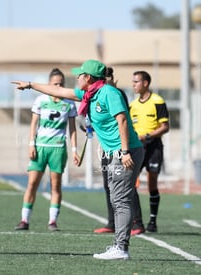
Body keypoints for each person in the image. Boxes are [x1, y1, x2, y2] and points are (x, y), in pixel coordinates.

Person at [12, 60, 144, 260]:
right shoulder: (90, 94)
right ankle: (118, 245)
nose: (78, 77)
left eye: (80, 74)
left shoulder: (109, 93)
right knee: (116, 199)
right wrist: (31, 85)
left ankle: (121, 248)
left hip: (125, 152)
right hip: (112, 153)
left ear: (89, 78)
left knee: (121, 200)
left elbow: (123, 121)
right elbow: (59, 91)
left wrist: (124, 152)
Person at [14, 68, 80, 232]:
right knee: (32, 184)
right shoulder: (41, 100)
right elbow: (33, 124)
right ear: (49, 84)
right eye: (55, 84)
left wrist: (73, 150)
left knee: (55, 186)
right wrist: (31, 144)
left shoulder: (69, 103)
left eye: (61, 84)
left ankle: (52, 221)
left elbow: (72, 129)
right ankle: (24, 220)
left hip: (58, 148)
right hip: (40, 147)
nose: (58, 86)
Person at [94, 67, 146, 236]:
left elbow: (121, 120)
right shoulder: (98, 95)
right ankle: (112, 222)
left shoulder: (116, 94)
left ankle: (137, 223)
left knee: (126, 187)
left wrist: (125, 151)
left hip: (123, 148)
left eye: (108, 77)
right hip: (108, 149)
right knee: (109, 186)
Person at [130, 70, 170, 233]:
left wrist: (147, 136)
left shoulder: (157, 101)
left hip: (153, 146)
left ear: (145, 83)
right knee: (130, 181)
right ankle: (136, 221)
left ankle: (153, 220)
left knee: (152, 181)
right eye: (132, 82)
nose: (133, 85)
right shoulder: (133, 104)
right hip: (137, 148)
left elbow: (165, 127)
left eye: (136, 82)